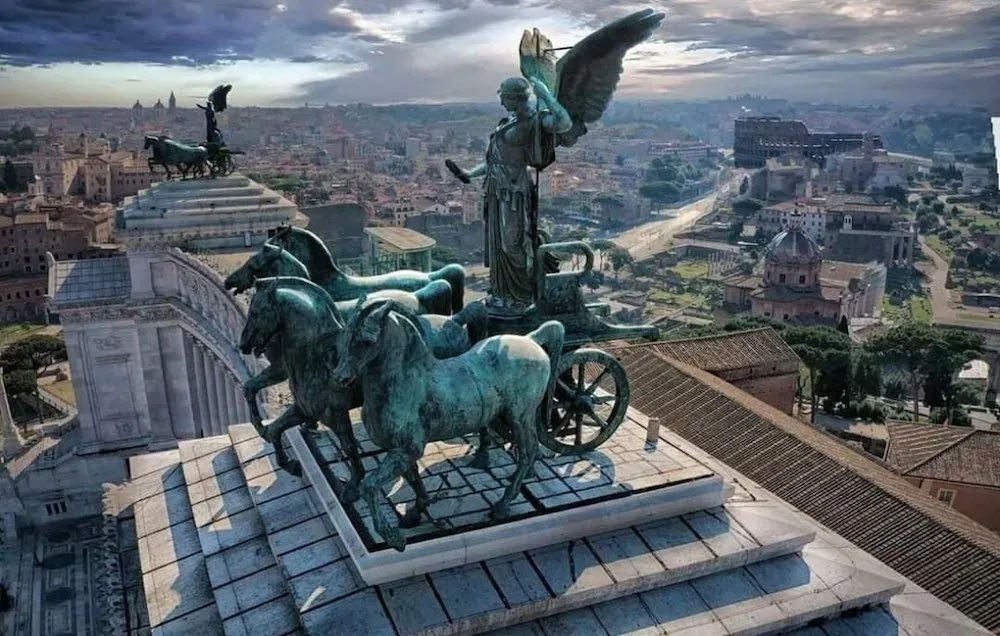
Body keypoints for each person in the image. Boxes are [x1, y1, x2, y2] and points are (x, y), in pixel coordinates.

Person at [447, 77, 571, 311]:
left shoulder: (536, 120)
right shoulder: (509, 121)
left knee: (512, 245)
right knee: (498, 245)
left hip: (514, 192)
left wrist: (544, 93)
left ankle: (522, 297)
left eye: (503, 96)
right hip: (496, 189)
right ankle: (503, 292)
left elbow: (563, 123)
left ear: (515, 98)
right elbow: (495, 162)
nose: (501, 100)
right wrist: (469, 173)